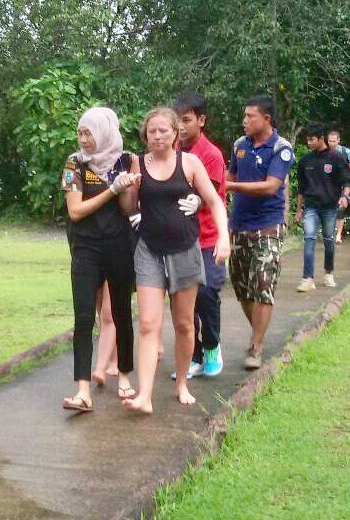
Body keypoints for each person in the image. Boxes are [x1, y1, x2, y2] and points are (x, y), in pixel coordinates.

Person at [121, 107, 230, 414]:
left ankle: (181, 382)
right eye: (152, 131)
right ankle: (144, 395)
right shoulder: (138, 163)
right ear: (145, 135)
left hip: (184, 250)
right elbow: (129, 206)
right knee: (148, 325)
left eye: (163, 131)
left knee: (183, 324)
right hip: (149, 252)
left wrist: (223, 237)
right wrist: (130, 190)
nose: (158, 136)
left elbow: (215, 202)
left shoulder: (190, 162)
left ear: (174, 133)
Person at [60, 106, 140, 412]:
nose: (83, 139)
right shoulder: (74, 163)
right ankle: (82, 390)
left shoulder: (126, 159)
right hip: (85, 247)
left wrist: (128, 187)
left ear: (104, 131)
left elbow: (129, 208)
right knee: (83, 318)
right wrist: (112, 188)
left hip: (119, 244)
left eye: (88, 133)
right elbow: (75, 211)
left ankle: (124, 375)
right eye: (80, 132)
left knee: (121, 313)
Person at [226, 95, 295, 370]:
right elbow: (230, 176)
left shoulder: (282, 148)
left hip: (268, 225)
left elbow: (270, 186)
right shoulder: (239, 146)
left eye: (250, 116)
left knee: (263, 285)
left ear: (266, 119)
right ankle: (259, 331)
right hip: (239, 224)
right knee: (242, 287)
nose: (244, 121)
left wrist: (230, 188)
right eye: (244, 116)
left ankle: (256, 344)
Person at [170, 92, 227, 379]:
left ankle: (212, 346)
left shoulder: (211, 155)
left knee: (206, 293)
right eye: (177, 120)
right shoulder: (171, 150)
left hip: (207, 237)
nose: (180, 126)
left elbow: (211, 196)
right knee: (183, 298)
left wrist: (196, 201)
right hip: (180, 238)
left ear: (201, 121)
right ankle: (191, 355)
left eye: (187, 120)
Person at [294, 122, 350, 292]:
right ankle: (307, 278)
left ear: (321, 138)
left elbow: (347, 180)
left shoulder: (336, 157)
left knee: (328, 239)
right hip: (311, 206)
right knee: (309, 239)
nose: (309, 143)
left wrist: (344, 195)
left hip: (330, 207)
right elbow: (301, 188)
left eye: (312, 139)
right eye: (307, 140)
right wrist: (299, 210)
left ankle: (328, 273)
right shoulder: (305, 160)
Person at [327, 131, 350, 244]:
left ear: (338, 140)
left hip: (345, 183)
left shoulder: (346, 152)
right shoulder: (325, 152)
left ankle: (338, 235)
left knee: (341, 208)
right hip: (331, 184)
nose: (331, 143)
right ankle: (330, 232)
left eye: (334, 141)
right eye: (329, 141)